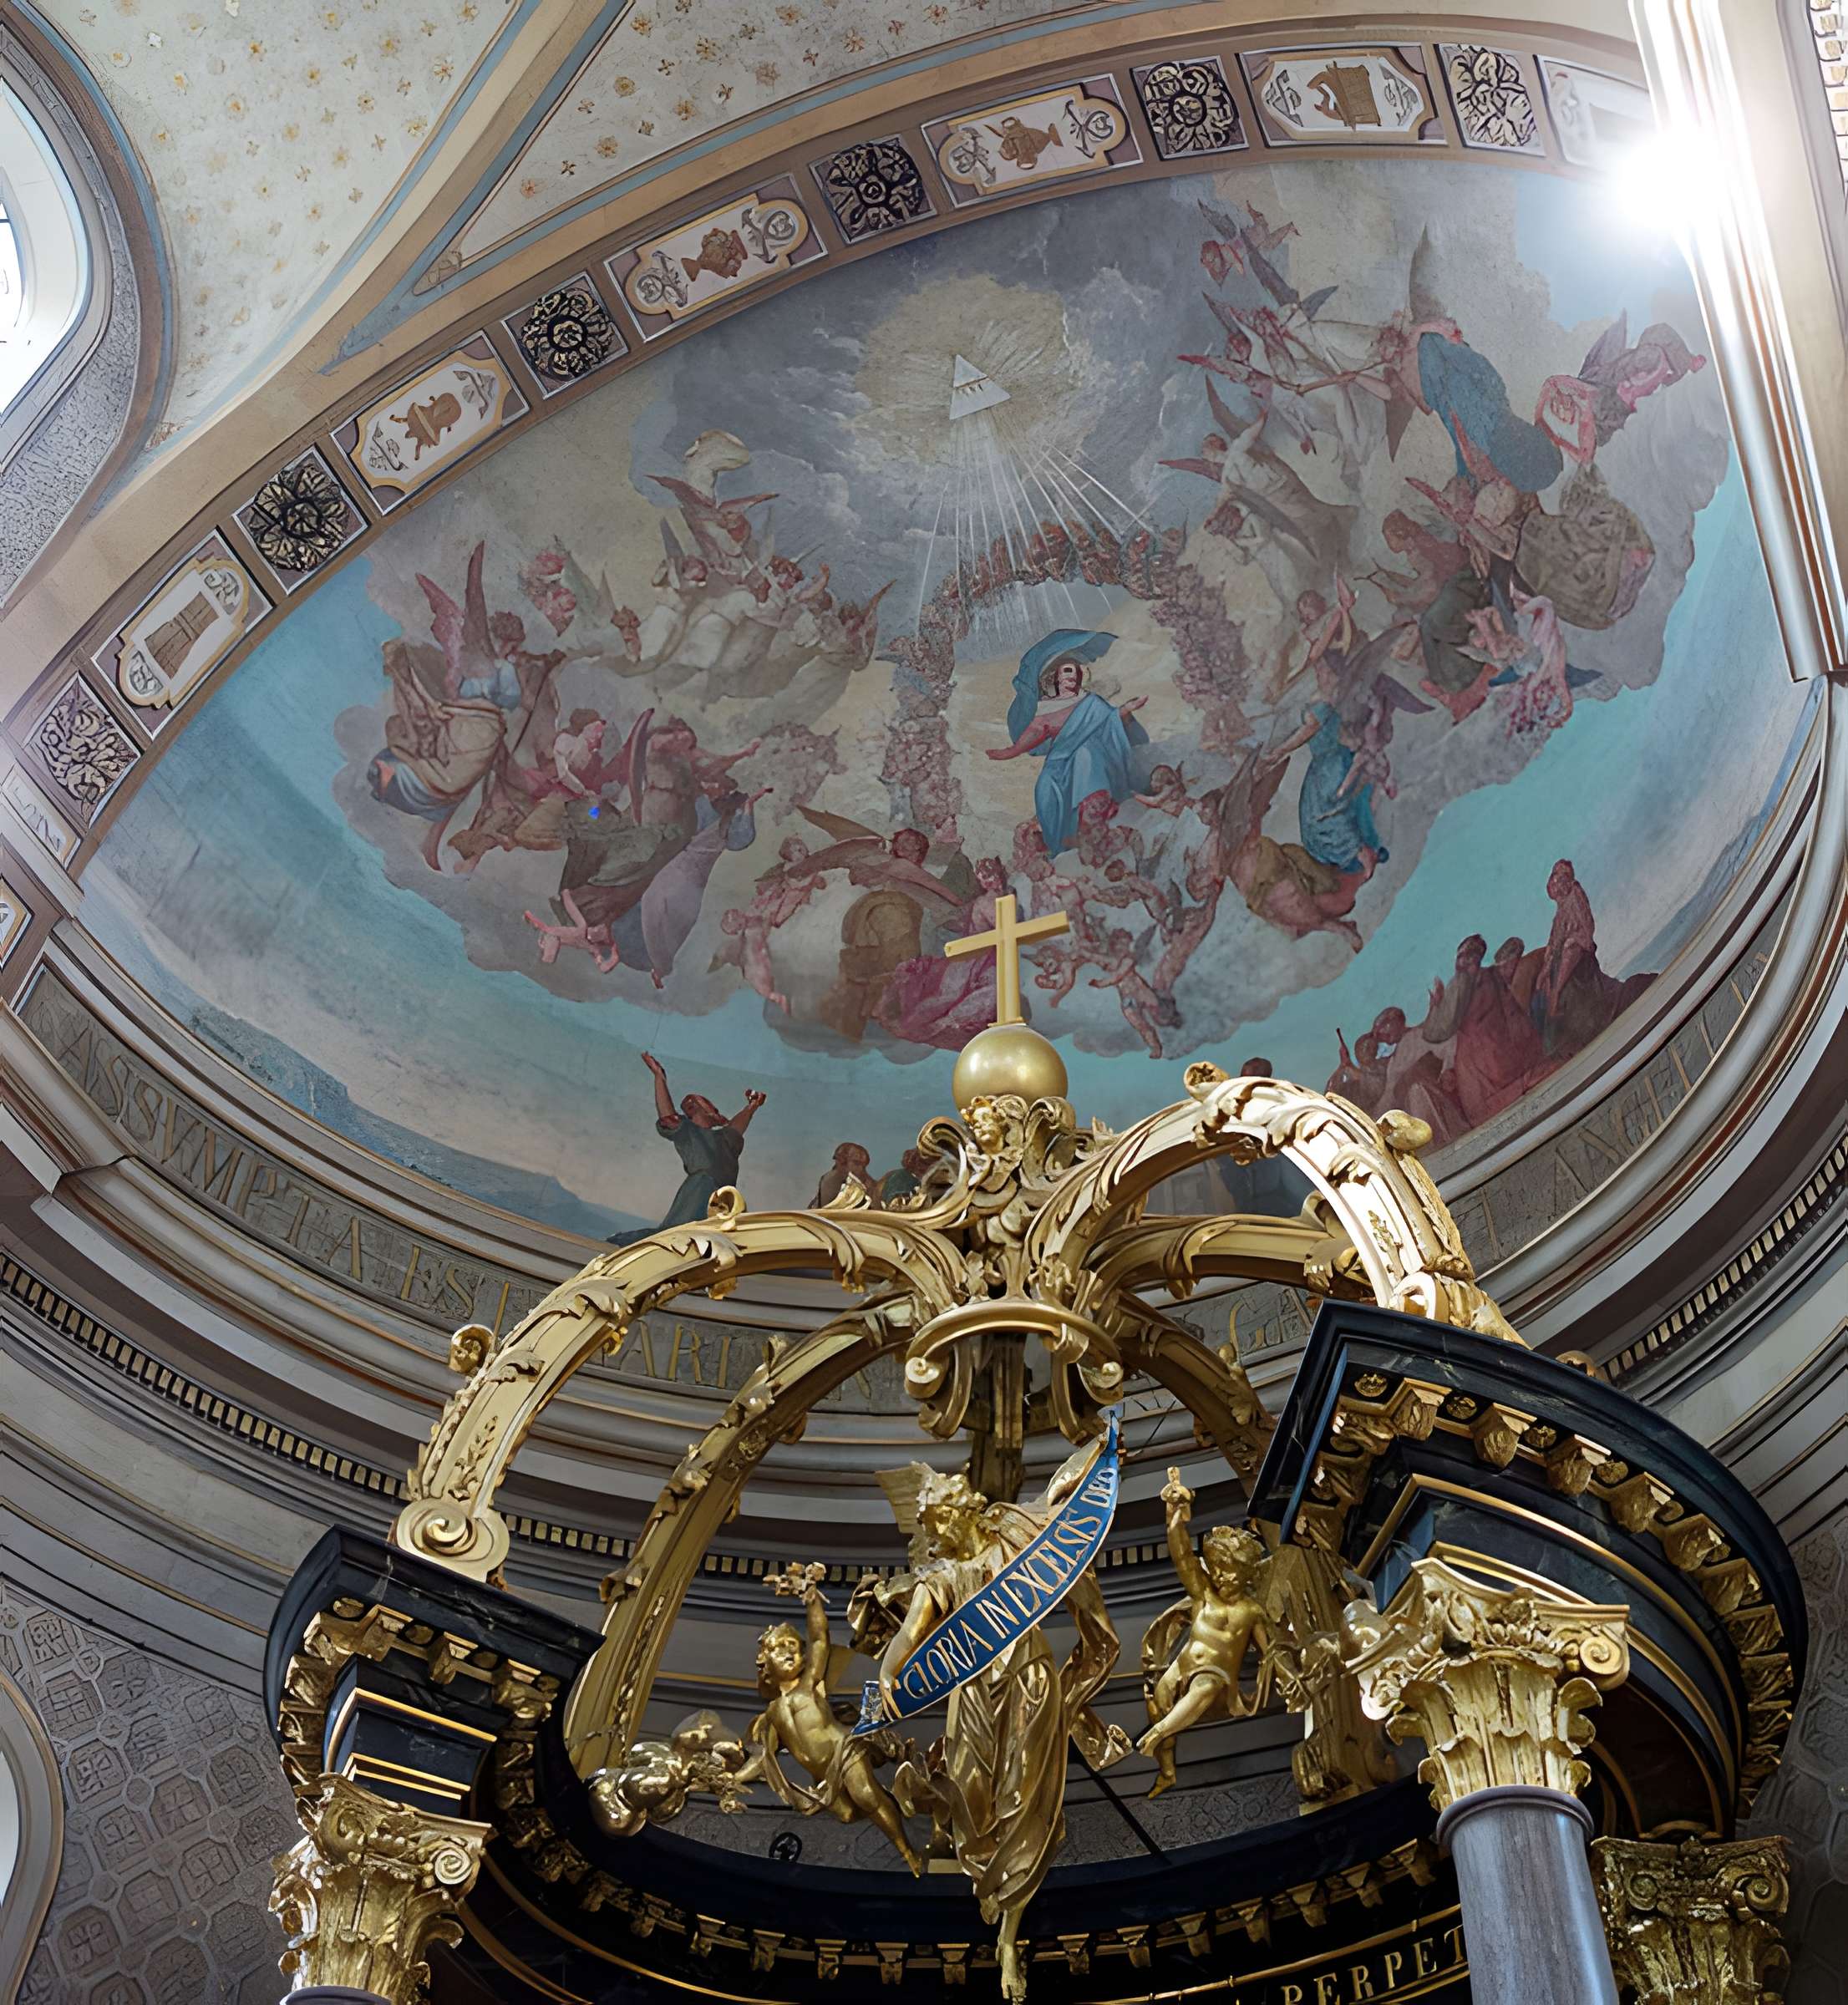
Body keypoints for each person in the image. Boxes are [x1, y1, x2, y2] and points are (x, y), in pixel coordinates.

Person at [1138, 1470, 1277, 1798]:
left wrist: (1282, 1672)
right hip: (1181, 1668)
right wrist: (1175, 1514)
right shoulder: (1205, 1596)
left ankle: (1155, 1735)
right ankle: (1167, 1772)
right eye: (1217, 1570)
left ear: (1246, 1574)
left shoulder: (1252, 1612)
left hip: (1217, 1678)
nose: (1221, 1577)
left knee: (1206, 1686)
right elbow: (1182, 1556)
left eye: (1229, 1572)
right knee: (1158, 1703)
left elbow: (1271, 1651)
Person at [987, 631, 1150, 855]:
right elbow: (1035, 732)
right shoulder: (1046, 707)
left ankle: (1090, 824)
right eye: (1066, 671)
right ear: (1054, 677)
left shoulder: (1090, 702)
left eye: (1074, 671)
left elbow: (1110, 720)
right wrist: (1010, 751)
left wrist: (1126, 710)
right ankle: (1063, 840)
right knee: (1045, 786)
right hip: (1057, 764)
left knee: (1085, 756)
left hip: (1087, 759)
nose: (1071, 675)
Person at [611, 1053, 764, 1241]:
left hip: (724, 1198)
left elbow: (737, 1126)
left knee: (715, 1239)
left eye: (696, 1104)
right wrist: (659, 1078)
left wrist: (752, 1106)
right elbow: (667, 1115)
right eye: (689, 1107)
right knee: (680, 1235)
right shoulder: (689, 1131)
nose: (689, 1106)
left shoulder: (725, 1138)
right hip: (700, 1190)